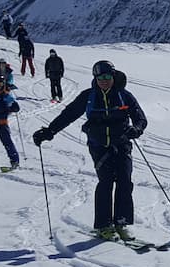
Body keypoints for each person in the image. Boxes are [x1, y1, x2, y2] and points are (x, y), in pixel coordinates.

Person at [32, 60, 147, 240]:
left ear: (113, 76)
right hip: (99, 146)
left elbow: (140, 117)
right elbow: (69, 115)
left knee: (125, 181)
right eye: (100, 77)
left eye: (107, 77)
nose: (104, 80)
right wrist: (49, 131)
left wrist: (137, 129)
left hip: (122, 143)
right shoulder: (88, 96)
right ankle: (104, 226)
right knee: (106, 182)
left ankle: (121, 222)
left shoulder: (124, 95)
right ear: (95, 78)